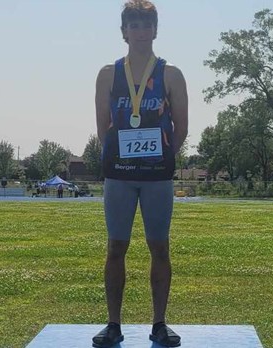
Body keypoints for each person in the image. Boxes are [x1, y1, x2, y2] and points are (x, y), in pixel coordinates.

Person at [92, 1, 188, 347]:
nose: (140, 31)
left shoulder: (171, 73)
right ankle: (113, 324)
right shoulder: (108, 73)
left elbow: (181, 127)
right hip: (119, 175)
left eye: (146, 24)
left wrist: (159, 157)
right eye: (133, 25)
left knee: (159, 247)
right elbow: (103, 129)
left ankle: (159, 323)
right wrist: (122, 156)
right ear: (124, 32)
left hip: (157, 178)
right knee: (116, 246)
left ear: (155, 30)